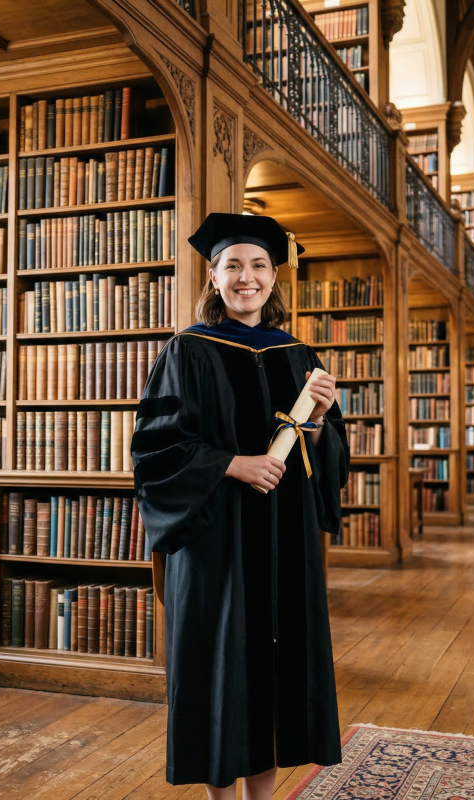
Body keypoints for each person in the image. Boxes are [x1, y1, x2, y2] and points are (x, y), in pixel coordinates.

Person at [131, 213, 349, 800]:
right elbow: (157, 449)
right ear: (213, 274)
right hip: (216, 539)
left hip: (285, 540)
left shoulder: (299, 355)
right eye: (233, 266)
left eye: (258, 266)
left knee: (273, 674)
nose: (246, 278)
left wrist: (323, 421)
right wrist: (234, 463)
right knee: (219, 666)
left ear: (274, 277)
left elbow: (325, 463)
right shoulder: (188, 350)